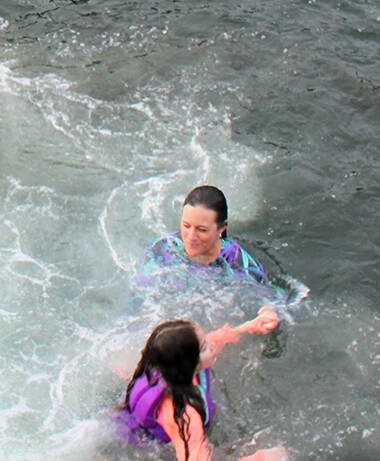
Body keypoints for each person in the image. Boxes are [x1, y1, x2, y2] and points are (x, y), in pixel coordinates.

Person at [117, 311, 287, 461]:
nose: (212, 345)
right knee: (278, 456)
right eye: (205, 347)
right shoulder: (184, 413)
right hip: (156, 448)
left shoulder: (168, 363)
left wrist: (250, 326)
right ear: (189, 363)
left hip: (133, 424)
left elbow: (216, 339)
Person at [139, 186, 270, 287]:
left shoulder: (240, 266)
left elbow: (273, 302)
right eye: (186, 226)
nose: (191, 237)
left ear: (222, 228)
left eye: (202, 230)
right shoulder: (161, 250)